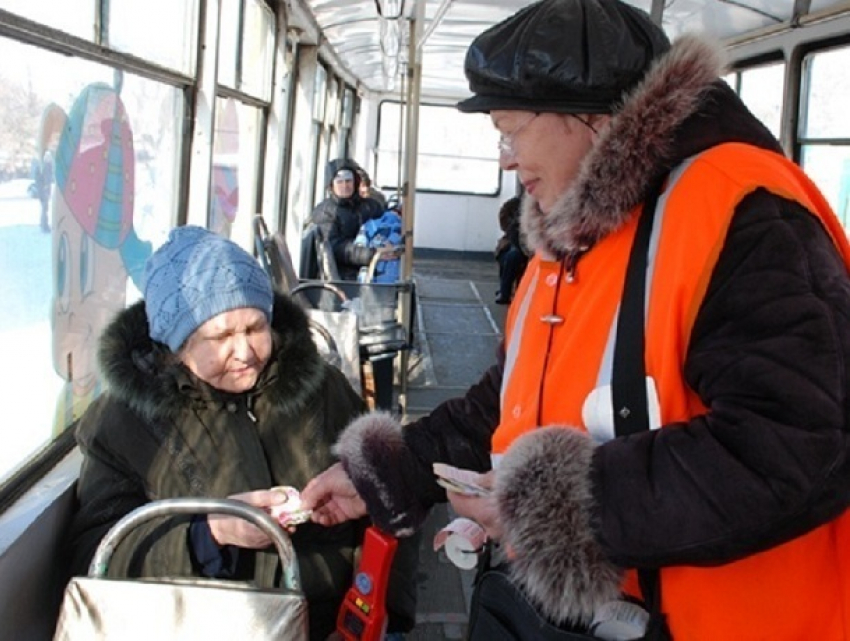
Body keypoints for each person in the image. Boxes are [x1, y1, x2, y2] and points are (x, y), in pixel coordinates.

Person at [300, 0, 850, 639]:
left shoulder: (747, 218)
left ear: (592, 119)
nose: (507, 159)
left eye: (512, 130)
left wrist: (549, 506)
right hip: (579, 614)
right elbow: (507, 406)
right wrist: (384, 474)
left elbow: (797, 447)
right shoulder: (574, 235)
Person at [65, 225, 369, 641]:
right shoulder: (124, 422)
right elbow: (96, 553)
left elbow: (383, 496)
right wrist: (209, 535)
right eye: (220, 336)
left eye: (255, 328)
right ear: (175, 347)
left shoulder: (322, 390)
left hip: (327, 621)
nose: (244, 352)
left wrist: (387, 614)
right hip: (204, 625)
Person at [309, 159, 384, 280]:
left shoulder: (371, 206)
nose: (345, 186)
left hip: (372, 265)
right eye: (339, 182)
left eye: (349, 181)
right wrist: (371, 254)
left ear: (355, 182)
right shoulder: (325, 211)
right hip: (343, 274)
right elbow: (333, 247)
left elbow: (384, 225)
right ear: (331, 185)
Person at [493, 196, 528, 304]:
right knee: (511, 255)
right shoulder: (514, 204)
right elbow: (504, 221)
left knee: (514, 256)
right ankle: (505, 291)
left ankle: (508, 291)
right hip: (514, 241)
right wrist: (514, 226)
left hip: (533, 244)